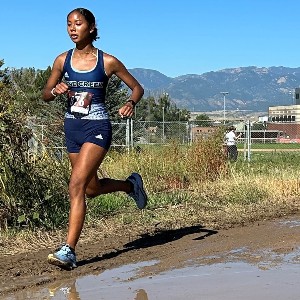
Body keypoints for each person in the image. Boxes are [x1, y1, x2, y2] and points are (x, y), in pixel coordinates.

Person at [42, 8, 147, 269]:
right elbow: (45, 94)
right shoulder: (62, 61)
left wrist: (130, 103)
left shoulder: (107, 61)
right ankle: (130, 186)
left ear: (91, 27)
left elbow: (137, 87)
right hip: (72, 128)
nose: (72, 28)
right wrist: (55, 90)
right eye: (68, 24)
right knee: (91, 189)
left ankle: (69, 250)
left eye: (78, 23)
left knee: (75, 186)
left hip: (97, 128)